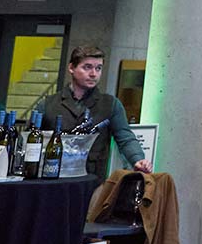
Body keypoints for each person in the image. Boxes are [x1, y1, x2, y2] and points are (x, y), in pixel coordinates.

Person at [43, 44, 149, 180]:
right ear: (71, 68)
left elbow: (125, 137)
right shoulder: (49, 104)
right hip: (53, 179)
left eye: (98, 68)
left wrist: (137, 159)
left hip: (93, 181)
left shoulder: (110, 104)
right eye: (87, 67)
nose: (93, 74)